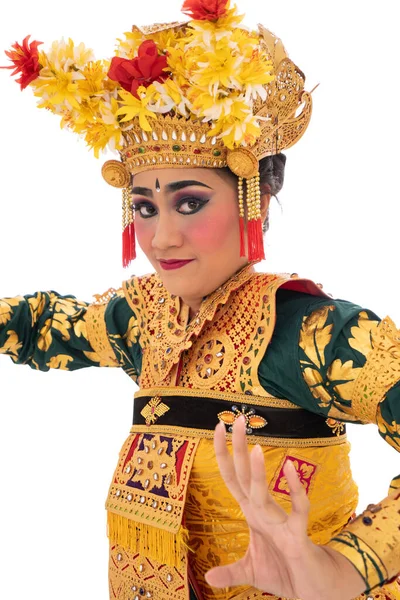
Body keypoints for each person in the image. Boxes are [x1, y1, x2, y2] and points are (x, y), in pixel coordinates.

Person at [1, 1, 399, 599]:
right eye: (144, 207)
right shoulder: (142, 318)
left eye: (189, 203)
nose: (161, 238)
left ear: (254, 200)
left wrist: (344, 567)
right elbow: (43, 327)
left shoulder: (314, 335)